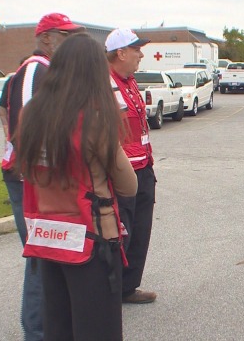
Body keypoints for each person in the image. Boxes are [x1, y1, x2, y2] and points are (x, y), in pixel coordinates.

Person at [16, 32, 137, 341]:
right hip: (91, 238)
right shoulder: (95, 118)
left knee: (59, 326)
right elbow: (128, 185)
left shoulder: (32, 115)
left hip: (48, 236)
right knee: (97, 329)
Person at [0, 12, 84, 340]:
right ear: (47, 37)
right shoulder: (37, 68)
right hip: (33, 180)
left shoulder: (47, 69)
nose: (71, 42)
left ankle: (47, 327)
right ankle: (37, 332)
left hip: (38, 178)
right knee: (41, 255)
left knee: (45, 255)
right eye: (66, 36)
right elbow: (29, 130)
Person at [105, 28, 158, 304]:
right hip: (122, 173)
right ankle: (108, 292)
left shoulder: (130, 81)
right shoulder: (103, 82)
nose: (141, 54)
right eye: (136, 49)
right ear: (121, 53)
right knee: (120, 234)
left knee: (140, 232)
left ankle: (128, 287)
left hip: (144, 167)